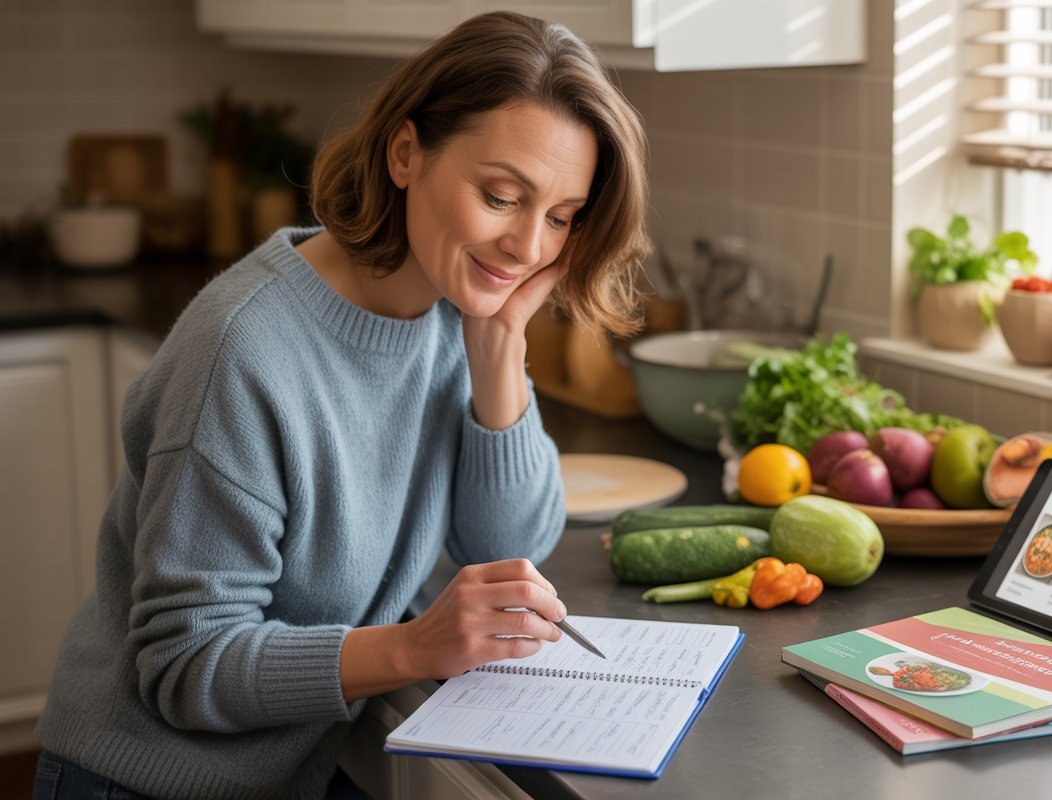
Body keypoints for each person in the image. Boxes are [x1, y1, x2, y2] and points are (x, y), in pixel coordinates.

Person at [32, 10, 649, 799]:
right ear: (404, 153)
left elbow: (507, 547)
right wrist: (413, 647)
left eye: (560, 217)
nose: (529, 248)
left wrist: (500, 353)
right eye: (502, 197)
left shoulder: (450, 308)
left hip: (299, 769)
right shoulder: (244, 352)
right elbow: (185, 666)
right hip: (144, 782)